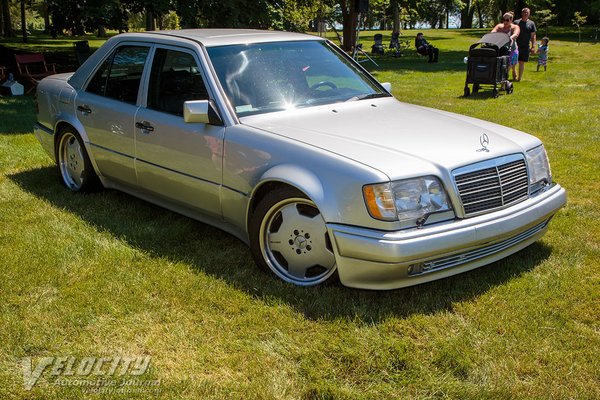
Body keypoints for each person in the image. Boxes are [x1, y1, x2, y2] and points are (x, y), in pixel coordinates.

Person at [492, 12, 520, 81]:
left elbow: (516, 34)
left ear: (511, 20)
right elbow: (493, 32)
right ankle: (511, 71)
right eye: (503, 20)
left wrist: (511, 37)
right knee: (503, 65)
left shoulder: (515, 27)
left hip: (512, 49)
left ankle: (503, 84)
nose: (505, 21)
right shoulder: (499, 26)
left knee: (507, 68)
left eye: (507, 20)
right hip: (502, 49)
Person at [514, 7, 537, 81]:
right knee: (513, 61)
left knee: (521, 62)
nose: (525, 13)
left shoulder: (531, 23)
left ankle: (519, 78)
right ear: (521, 13)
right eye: (524, 12)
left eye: (527, 12)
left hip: (525, 46)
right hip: (515, 45)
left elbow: (533, 36)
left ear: (529, 14)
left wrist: (533, 46)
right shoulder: (516, 22)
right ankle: (514, 73)